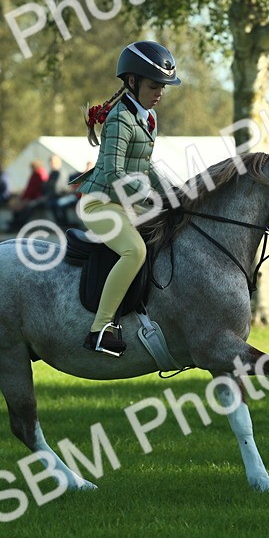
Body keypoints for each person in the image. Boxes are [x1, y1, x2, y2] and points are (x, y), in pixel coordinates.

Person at [72, 40, 179, 355]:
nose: (160, 92)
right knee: (135, 252)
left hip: (127, 206)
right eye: (154, 85)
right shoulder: (119, 119)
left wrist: (175, 193)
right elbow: (113, 174)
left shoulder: (148, 118)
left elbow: (147, 166)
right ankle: (101, 329)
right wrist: (148, 194)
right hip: (101, 205)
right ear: (132, 82)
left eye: (163, 86)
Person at [8, 160, 49, 231]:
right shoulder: (38, 173)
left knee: (25, 206)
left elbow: (33, 189)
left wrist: (24, 199)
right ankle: (16, 223)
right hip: (32, 197)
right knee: (18, 205)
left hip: (35, 198)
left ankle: (18, 224)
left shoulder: (38, 174)